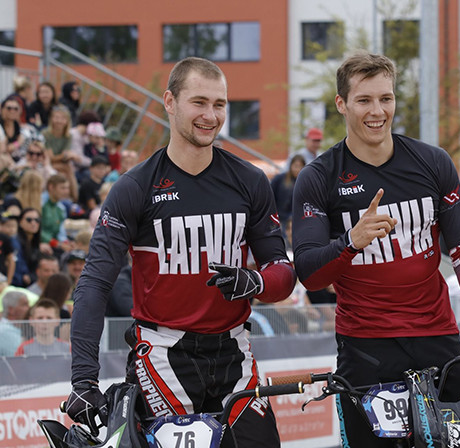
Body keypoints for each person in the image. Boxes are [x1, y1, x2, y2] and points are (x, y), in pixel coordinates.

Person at [65, 57, 295, 448]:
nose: (211, 116)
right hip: (163, 357)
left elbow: (283, 273)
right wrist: (83, 380)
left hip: (235, 354)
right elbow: (93, 284)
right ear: (169, 102)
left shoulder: (251, 181)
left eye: (220, 104)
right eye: (199, 102)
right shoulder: (134, 187)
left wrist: (254, 281)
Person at [292, 51, 460, 447]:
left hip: (437, 339)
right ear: (341, 104)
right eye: (364, 100)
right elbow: (308, 271)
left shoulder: (433, 162)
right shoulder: (318, 177)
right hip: (365, 347)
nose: (377, 111)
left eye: (386, 99)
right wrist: (350, 242)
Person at [270, 153, 305, 235]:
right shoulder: (279, 179)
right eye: (296, 166)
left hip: (296, 220)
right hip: (279, 218)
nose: (297, 169)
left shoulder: (304, 182)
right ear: (291, 166)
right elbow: (270, 197)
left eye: (300, 166)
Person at [0, 288, 28, 356]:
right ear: (11, 309)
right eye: (24, 305)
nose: (29, 308)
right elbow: (19, 358)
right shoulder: (4, 331)